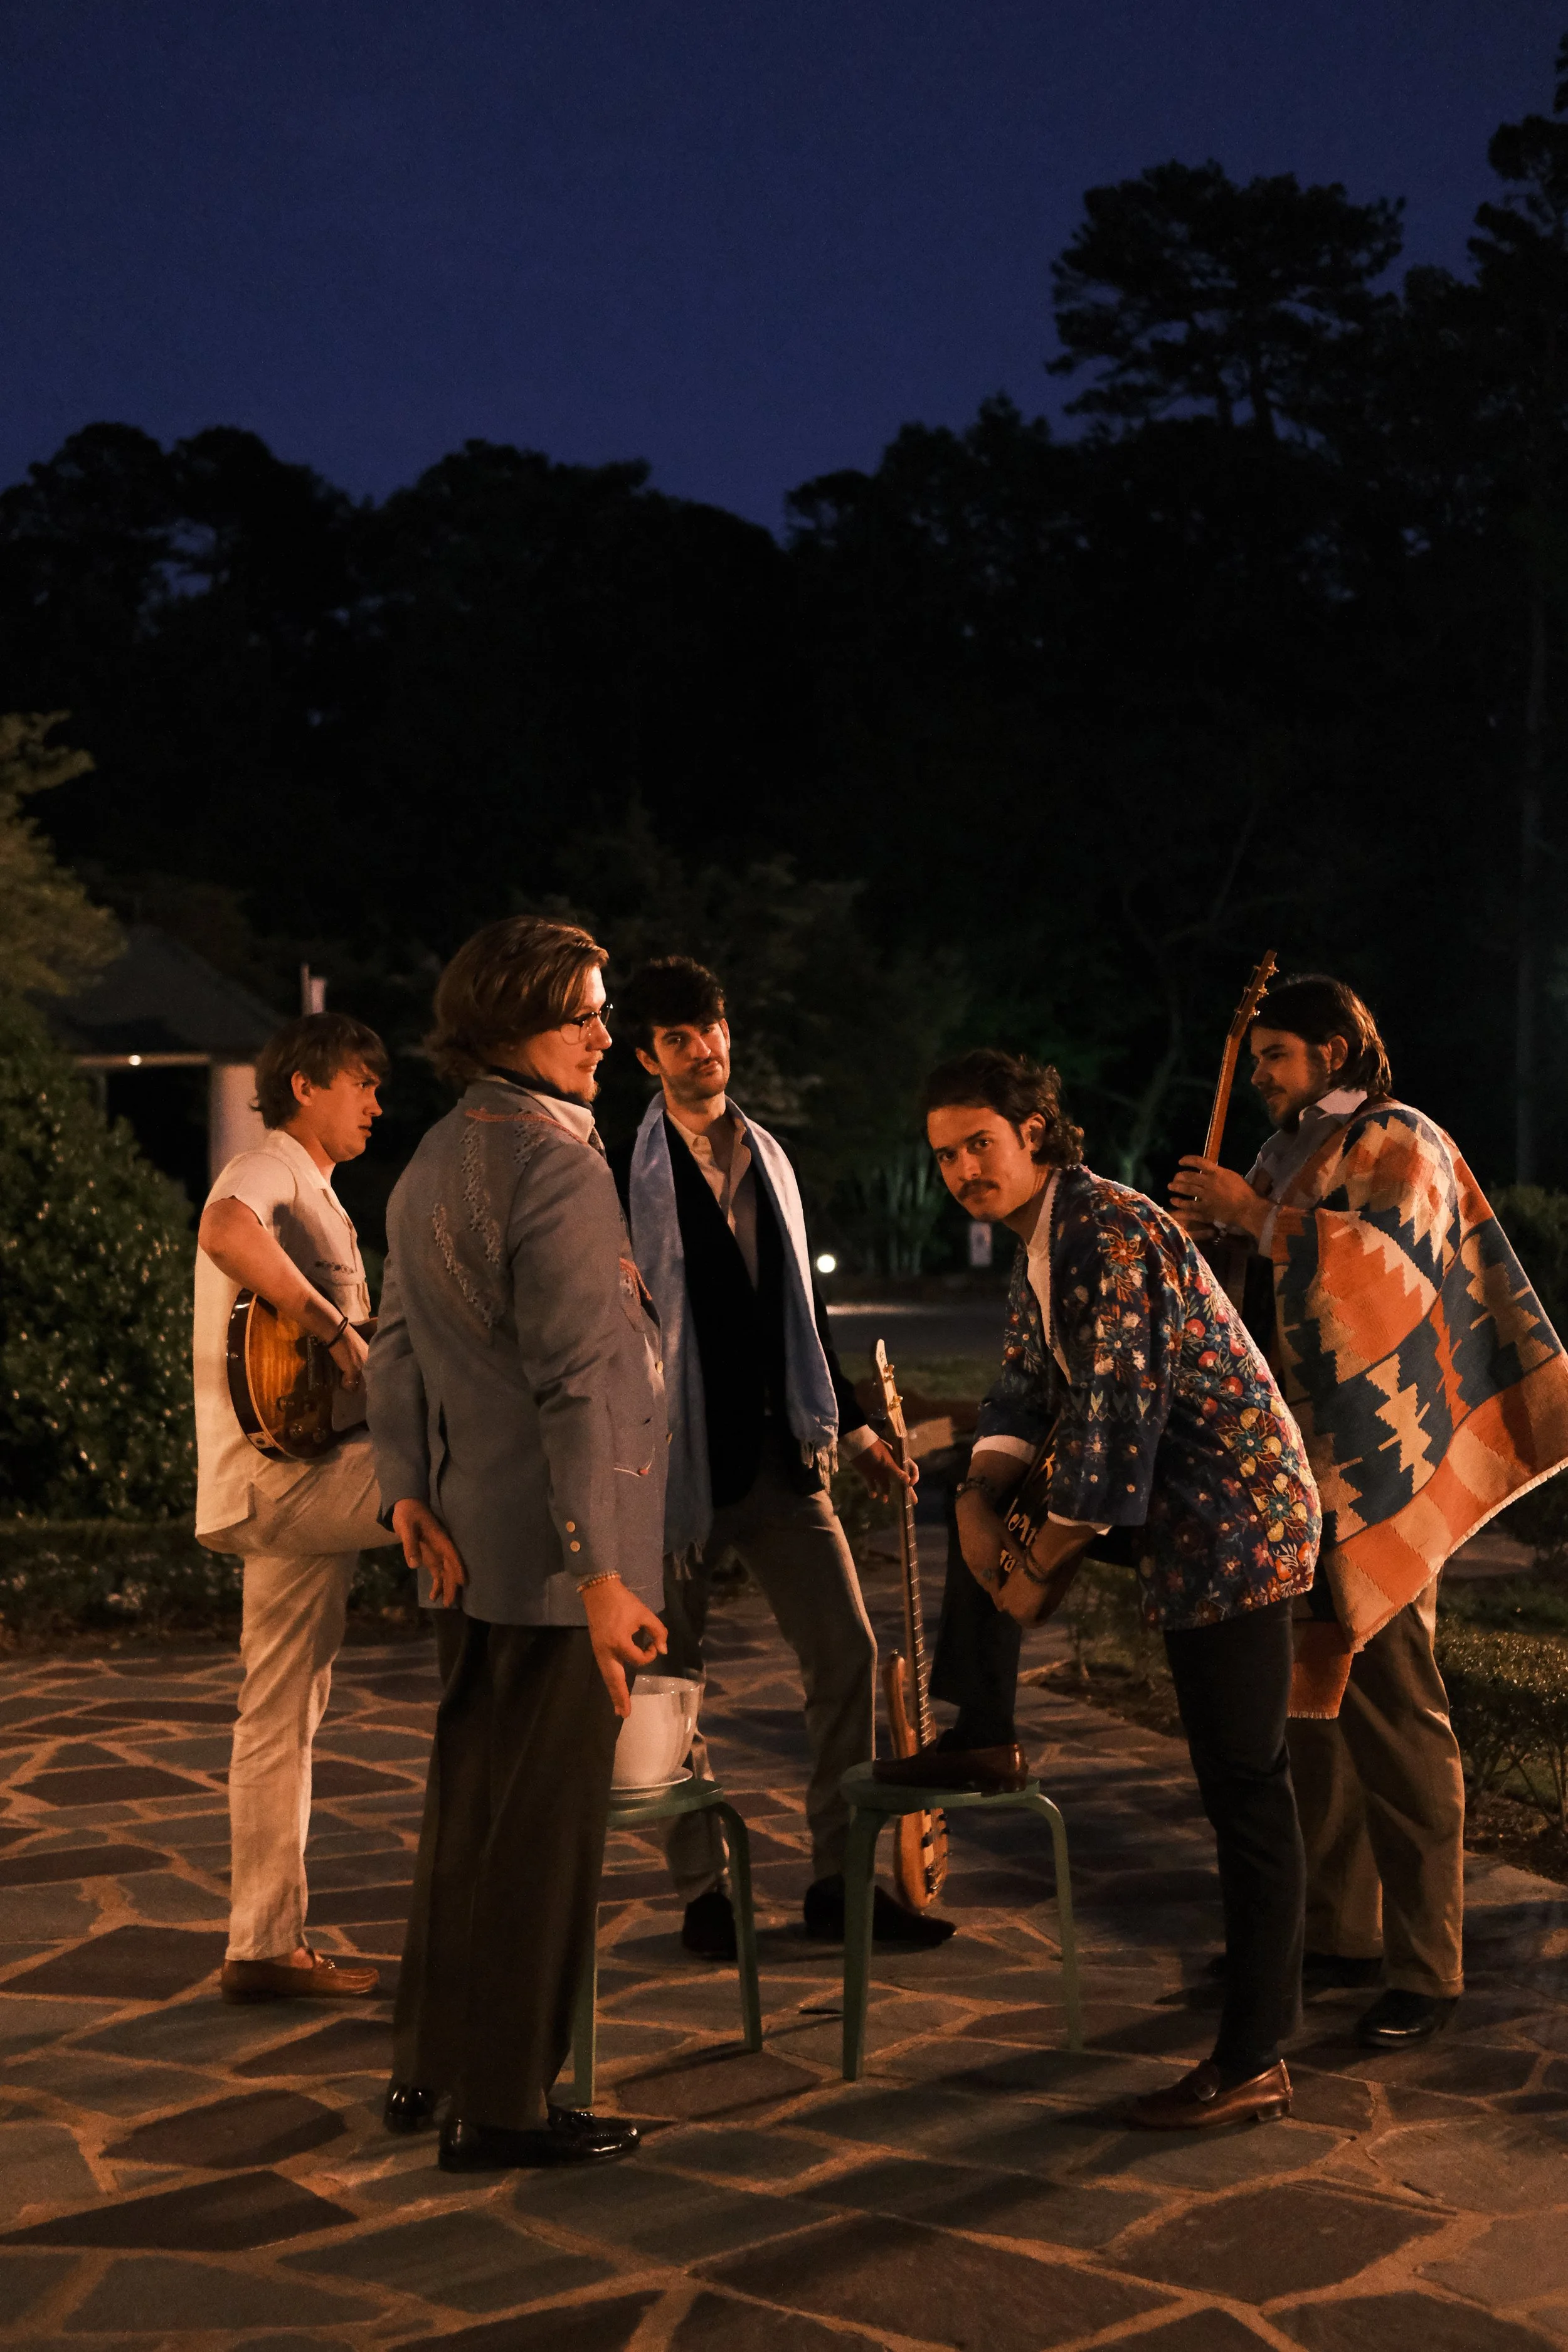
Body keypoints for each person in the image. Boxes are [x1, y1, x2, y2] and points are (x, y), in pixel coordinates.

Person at [881, 1048, 1321, 2129]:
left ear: (1035, 1131)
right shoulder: (1046, 1236)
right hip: (1170, 1504)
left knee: (1246, 1786)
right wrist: (980, 1497)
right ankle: (985, 1731)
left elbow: (1117, 1419)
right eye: (945, 1156)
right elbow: (1026, 1384)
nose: (962, 1170)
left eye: (979, 1144)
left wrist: (1034, 1565)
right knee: (973, 1483)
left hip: (1236, 1519)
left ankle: (1255, 2055)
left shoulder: (1107, 1234)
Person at [1171, 973, 1568, 2050]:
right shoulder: (1280, 1155)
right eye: (1256, 1058)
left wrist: (1253, 1218)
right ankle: (1340, 1932)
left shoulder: (1401, 1140)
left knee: (1394, 1711)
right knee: (1313, 1706)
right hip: (1292, 1469)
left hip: (1378, 1465)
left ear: (1336, 1051)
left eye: (1277, 1055)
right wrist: (1212, 1240)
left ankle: (1428, 1966)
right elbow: (1258, 1295)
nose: (1261, 1076)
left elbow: (1387, 1272)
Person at [367, 916, 669, 2173]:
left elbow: (393, 1341)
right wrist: (603, 1572)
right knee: (543, 1837)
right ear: (506, 1024)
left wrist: (405, 1489)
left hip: (467, 1541)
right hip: (553, 1562)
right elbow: (580, 1380)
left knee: (469, 1813)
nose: (604, 1035)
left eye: (601, 1010)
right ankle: (502, 2107)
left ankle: (430, 2066)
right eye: (579, 1014)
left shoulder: (434, 1154)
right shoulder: (555, 1163)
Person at [612, 955, 950, 1955]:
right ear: (648, 1058)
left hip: (778, 1458)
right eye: (678, 1038)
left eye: (711, 1028)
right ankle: (702, 1891)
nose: (703, 1049)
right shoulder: (621, 1172)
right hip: (670, 1469)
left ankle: (840, 1880)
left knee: (846, 1651)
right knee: (668, 1680)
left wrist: (857, 1429)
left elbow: (802, 1310)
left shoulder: (769, 1157)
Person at [194, 1010, 400, 2005]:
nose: (376, 1104)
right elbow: (224, 1230)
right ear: (306, 1086)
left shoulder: (317, 1190)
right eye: (363, 1083)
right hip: (287, 1480)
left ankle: (263, 1944)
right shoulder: (267, 1165)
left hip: (279, 1475)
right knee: (459, 1478)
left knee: (279, 1712)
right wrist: (331, 1326)